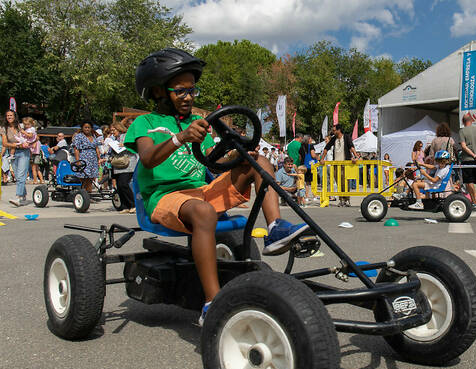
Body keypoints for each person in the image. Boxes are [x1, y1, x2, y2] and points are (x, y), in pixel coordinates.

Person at [126, 47, 309, 326]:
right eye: (181, 91)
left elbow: (213, 163)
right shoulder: (145, 123)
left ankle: (275, 229)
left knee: (256, 160)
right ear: (158, 91)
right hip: (164, 198)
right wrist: (180, 138)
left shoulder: (196, 122)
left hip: (201, 193)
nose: (189, 97)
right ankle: (213, 302)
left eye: (192, 90)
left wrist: (238, 152)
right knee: (203, 212)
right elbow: (148, 159)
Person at [321, 124, 359, 207]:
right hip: (336, 164)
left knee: (345, 182)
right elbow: (326, 148)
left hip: (345, 163)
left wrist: (356, 156)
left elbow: (351, 147)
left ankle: (347, 199)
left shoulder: (346, 137)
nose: (333, 132)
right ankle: (341, 200)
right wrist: (322, 159)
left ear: (339, 130)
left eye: (334, 130)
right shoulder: (333, 138)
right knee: (339, 182)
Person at [109, 122, 137, 213]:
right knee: (119, 186)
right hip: (118, 165)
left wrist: (125, 146)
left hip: (128, 164)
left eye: (114, 130)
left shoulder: (127, 136)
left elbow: (135, 147)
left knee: (124, 184)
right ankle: (125, 206)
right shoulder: (115, 139)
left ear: (119, 128)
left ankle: (133, 204)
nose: (112, 132)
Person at [3, 110, 30, 206]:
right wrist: (13, 145)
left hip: (23, 152)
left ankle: (18, 197)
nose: (9, 117)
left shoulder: (20, 126)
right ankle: (23, 195)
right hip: (13, 152)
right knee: (18, 176)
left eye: (11, 115)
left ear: (14, 117)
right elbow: (4, 143)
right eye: (7, 116)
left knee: (21, 174)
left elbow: (31, 136)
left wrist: (27, 142)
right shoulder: (4, 128)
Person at [72, 121, 103, 193]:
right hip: (84, 158)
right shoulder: (79, 136)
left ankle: (89, 193)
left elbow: (96, 147)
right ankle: (83, 193)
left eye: (88, 127)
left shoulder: (93, 136)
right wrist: (78, 161)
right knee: (84, 177)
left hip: (93, 160)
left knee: (91, 177)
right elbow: (76, 149)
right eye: (85, 127)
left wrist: (99, 158)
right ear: (82, 128)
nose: (87, 129)